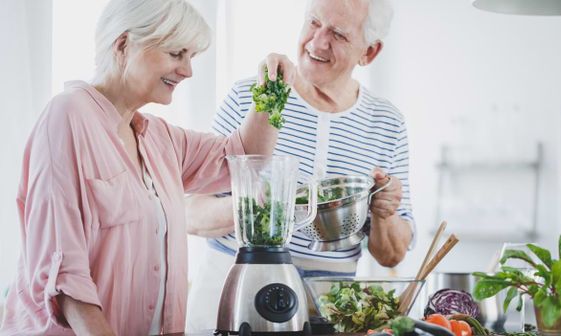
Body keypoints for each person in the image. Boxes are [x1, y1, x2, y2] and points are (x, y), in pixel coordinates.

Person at [0, 0, 278, 335]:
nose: (188, 70)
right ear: (123, 44)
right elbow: (65, 274)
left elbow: (245, 157)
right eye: (177, 54)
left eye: (191, 57)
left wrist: (272, 91)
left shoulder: (159, 139)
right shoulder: (67, 117)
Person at [185, 0, 415, 331]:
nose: (318, 42)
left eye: (337, 34)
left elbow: (392, 254)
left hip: (329, 301)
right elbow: (190, 212)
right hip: (234, 285)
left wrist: (384, 213)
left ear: (370, 52)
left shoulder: (386, 123)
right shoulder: (254, 96)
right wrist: (262, 206)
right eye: (313, 23)